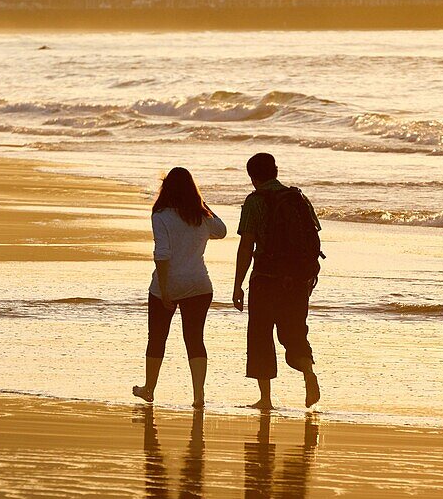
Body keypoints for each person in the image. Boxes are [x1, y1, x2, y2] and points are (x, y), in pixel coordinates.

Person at [232, 153, 322, 410]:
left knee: (261, 336)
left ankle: (266, 399)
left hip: (265, 280)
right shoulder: (298, 198)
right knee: (294, 333)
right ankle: (308, 373)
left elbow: (246, 245)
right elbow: (312, 238)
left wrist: (238, 284)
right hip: (296, 280)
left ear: (252, 177)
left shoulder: (254, 201)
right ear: (276, 171)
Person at [133, 167, 227, 409]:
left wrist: (165, 290)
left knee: (157, 337)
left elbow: (162, 254)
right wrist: (203, 203)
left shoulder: (161, 215)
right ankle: (199, 395)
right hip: (199, 284)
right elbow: (222, 231)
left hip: (169, 283)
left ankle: (149, 388)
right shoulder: (201, 217)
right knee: (195, 339)